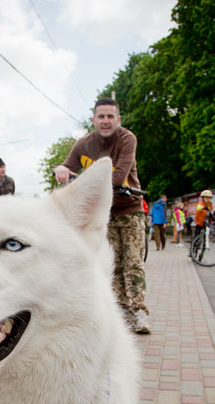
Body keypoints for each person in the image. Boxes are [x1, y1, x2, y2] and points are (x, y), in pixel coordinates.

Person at [54, 98, 150, 334]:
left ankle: (139, 311)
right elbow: (66, 166)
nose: (105, 121)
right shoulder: (84, 144)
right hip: (102, 215)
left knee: (132, 262)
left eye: (110, 116)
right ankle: (120, 311)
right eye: (101, 116)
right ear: (94, 119)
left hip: (129, 209)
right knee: (111, 262)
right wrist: (62, 169)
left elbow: (116, 177)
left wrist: (83, 182)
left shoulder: (126, 139)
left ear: (118, 119)